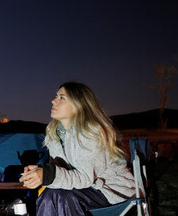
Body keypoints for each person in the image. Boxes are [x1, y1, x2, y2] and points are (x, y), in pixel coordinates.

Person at [19, 82, 135, 216]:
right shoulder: (55, 133)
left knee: (66, 198)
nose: (53, 101)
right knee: (48, 195)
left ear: (78, 105)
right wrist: (41, 171)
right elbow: (61, 168)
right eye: (56, 96)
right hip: (83, 187)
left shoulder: (90, 132)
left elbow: (84, 177)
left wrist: (47, 175)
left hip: (110, 188)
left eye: (62, 98)